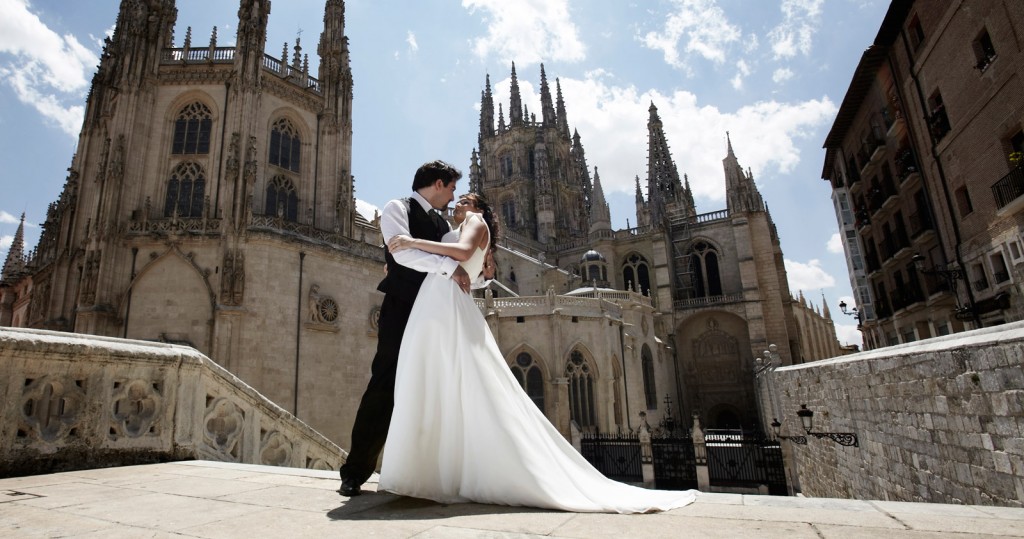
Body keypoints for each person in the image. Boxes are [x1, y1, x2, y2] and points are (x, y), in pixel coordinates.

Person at [378, 193, 697, 514]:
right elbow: (480, 278)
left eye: (464, 200)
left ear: (478, 209)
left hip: (447, 307)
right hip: (449, 304)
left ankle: (451, 468)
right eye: (457, 199)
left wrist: (412, 242)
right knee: (466, 386)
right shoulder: (477, 233)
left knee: (452, 384)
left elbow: (461, 254)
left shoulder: (475, 222)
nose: (458, 204)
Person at [338, 160, 472, 497]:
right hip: (401, 306)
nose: (454, 195)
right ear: (438, 183)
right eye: (452, 187)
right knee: (384, 385)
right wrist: (448, 267)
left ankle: (426, 474)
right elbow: (402, 255)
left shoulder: (441, 223)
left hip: (434, 312)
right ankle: (355, 472)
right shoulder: (397, 207)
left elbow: (452, 258)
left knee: (433, 387)